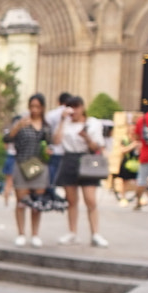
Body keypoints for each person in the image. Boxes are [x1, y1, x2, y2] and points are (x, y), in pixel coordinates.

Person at [50, 94, 109, 247]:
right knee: (71, 200)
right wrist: (62, 120)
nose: (74, 111)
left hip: (87, 159)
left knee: (90, 199)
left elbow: (97, 146)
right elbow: (56, 141)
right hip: (69, 158)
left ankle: (95, 233)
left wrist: (87, 138)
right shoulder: (66, 123)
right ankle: (72, 232)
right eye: (71, 108)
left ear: (82, 107)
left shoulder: (93, 123)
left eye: (76, 107)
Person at [6, 93, 52, 246]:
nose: (34, 110)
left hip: (39, 165)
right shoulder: (22, 122)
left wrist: (48, 152)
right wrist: (18, 126)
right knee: (21, 201)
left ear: (42, 108)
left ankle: (35, 233)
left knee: (37, 203)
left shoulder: (46, 126)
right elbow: (7, 139)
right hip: (22, 163)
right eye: (32, 106)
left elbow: (51, 143)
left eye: (37, 107)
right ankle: (21, 233)